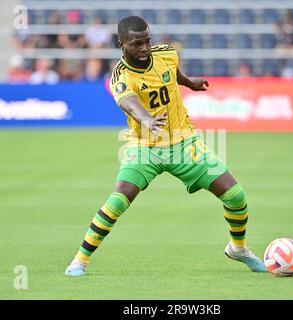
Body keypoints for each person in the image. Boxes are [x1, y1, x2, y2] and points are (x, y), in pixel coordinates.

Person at [65, 16, 267, 276]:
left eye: (147, 41)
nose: (144, 48)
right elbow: (128, 102)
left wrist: (189, 81)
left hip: (184, 141)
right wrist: (147, 119)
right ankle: (80, 260)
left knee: (235, 195)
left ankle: (238, 249)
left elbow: (172, 73)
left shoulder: (167, 54)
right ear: (121, 45)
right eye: (137, 44)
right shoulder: (120, 76)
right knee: (118, 200)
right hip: (145, 147)